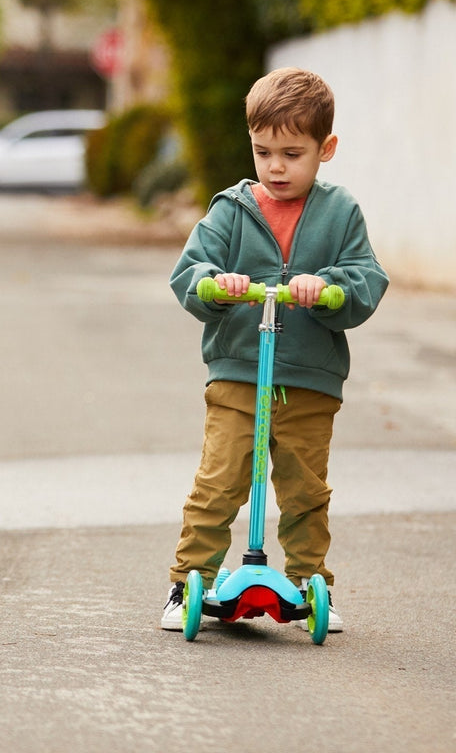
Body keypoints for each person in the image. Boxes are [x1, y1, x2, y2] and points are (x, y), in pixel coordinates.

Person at [162, 67, 388, 632]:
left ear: (325, 149)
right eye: (263, 152)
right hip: (239, 373)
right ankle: (187, 581)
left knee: (306, 490)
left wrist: (328, 286)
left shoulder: (341, 213)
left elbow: (366, 279)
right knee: (219, 482)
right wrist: (218, 283)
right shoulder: (231, 210)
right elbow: (189, 271)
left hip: (309, 380)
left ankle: (315, 586)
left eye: (292, 153)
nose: (276, 167)